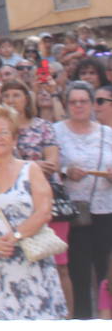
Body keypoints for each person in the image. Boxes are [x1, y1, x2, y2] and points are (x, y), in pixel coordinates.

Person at [0, 104, 67, 320]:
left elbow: (44, 212)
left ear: (14, 138)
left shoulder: (31, 170)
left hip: (29, 263)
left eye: (4, 132)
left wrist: (15, 236)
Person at [54, 82, 112, 318]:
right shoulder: (56, 131)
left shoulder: (107, 133)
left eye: (83, 101)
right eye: (73, 102)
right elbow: (49, 167)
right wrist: (66, 171)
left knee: (105, 270)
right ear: (66, 105)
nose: (78, 106)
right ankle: (82, 320)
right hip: (73, 211)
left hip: (105, 209)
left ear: (92, 104)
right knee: (78, 269)